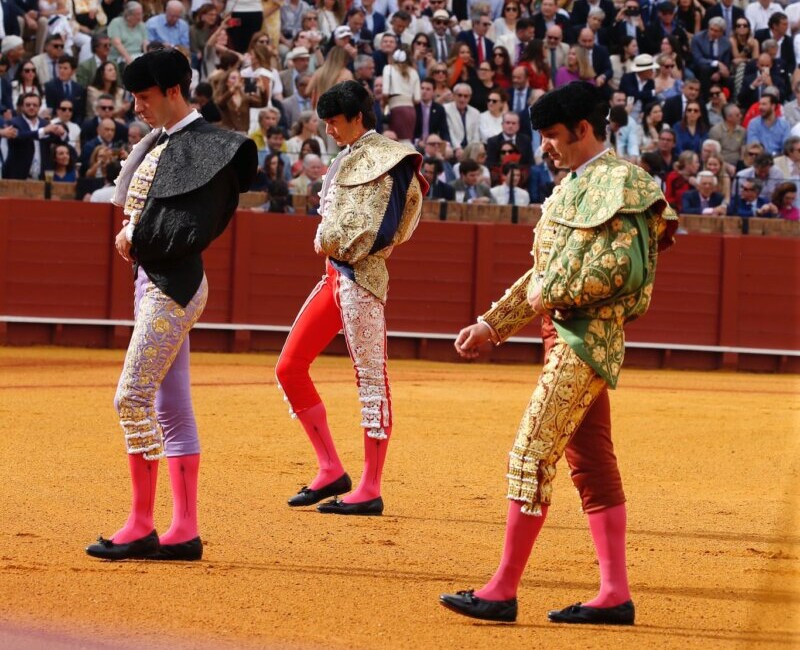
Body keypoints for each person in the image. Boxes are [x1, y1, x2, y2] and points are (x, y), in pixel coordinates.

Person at [439, 81, 677, 626]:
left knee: (530, 452)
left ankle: (501, 590)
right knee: (591, 462)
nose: (545, 146)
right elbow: (540, 276)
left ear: (584, 130)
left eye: (552, 136)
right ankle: (614, 593)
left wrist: (556, 293)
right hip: (561, 335)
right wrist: (492, 325)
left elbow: (626, 272)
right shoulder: (573, 185)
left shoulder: (626, 184)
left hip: (586, 340)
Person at [85, 48, 257, 562]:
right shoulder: (162, 141)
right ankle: (184, 530)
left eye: (143, 96)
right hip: (157, 282)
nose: (136, 106)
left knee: (131, 398)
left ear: (173, 91)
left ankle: (141, 523)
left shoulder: (207, 146)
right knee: (172, 407)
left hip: (172, 286)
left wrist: (136, 237)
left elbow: (193, 227)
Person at [274, 80, 427, 517]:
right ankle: (330, 469)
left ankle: (371, 487)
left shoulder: (391, 158)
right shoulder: (349, 157)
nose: (328, 130)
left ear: (357, 117)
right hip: (334, 278)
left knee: (371, 380)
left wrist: (331, 241)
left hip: (361, 277)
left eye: (334, 121)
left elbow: (384, 226)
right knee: (289, 367)